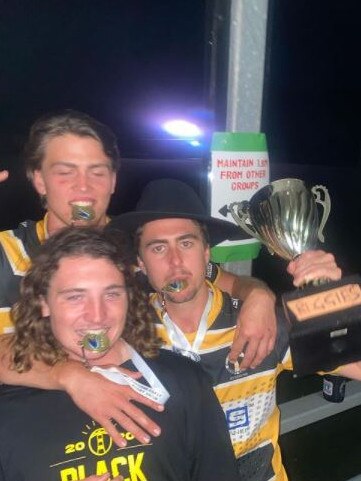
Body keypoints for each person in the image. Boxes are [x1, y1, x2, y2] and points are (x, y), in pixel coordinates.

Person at [0, 109, 276, 445]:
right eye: (65, 172)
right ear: (39, 180)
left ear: (114, 180)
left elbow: (209, 276)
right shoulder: (6, 254)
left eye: (97, 172)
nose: (83, 187)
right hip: (30, 441)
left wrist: (260, 295)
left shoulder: (137, 252)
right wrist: (69, 376)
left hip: (134, 440)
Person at [107, 178, 361, 481]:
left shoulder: (264, 324)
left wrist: (338, 296)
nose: (175, 261)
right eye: (158, 247)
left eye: (186, 243)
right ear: (142, 264)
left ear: (206, 254)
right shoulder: (123, 333)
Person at [0, 227, 239, 481]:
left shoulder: (185, 381)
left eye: (112, 294)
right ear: (43, 303)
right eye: (75, 297)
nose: (97, 315)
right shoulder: (9, 408)